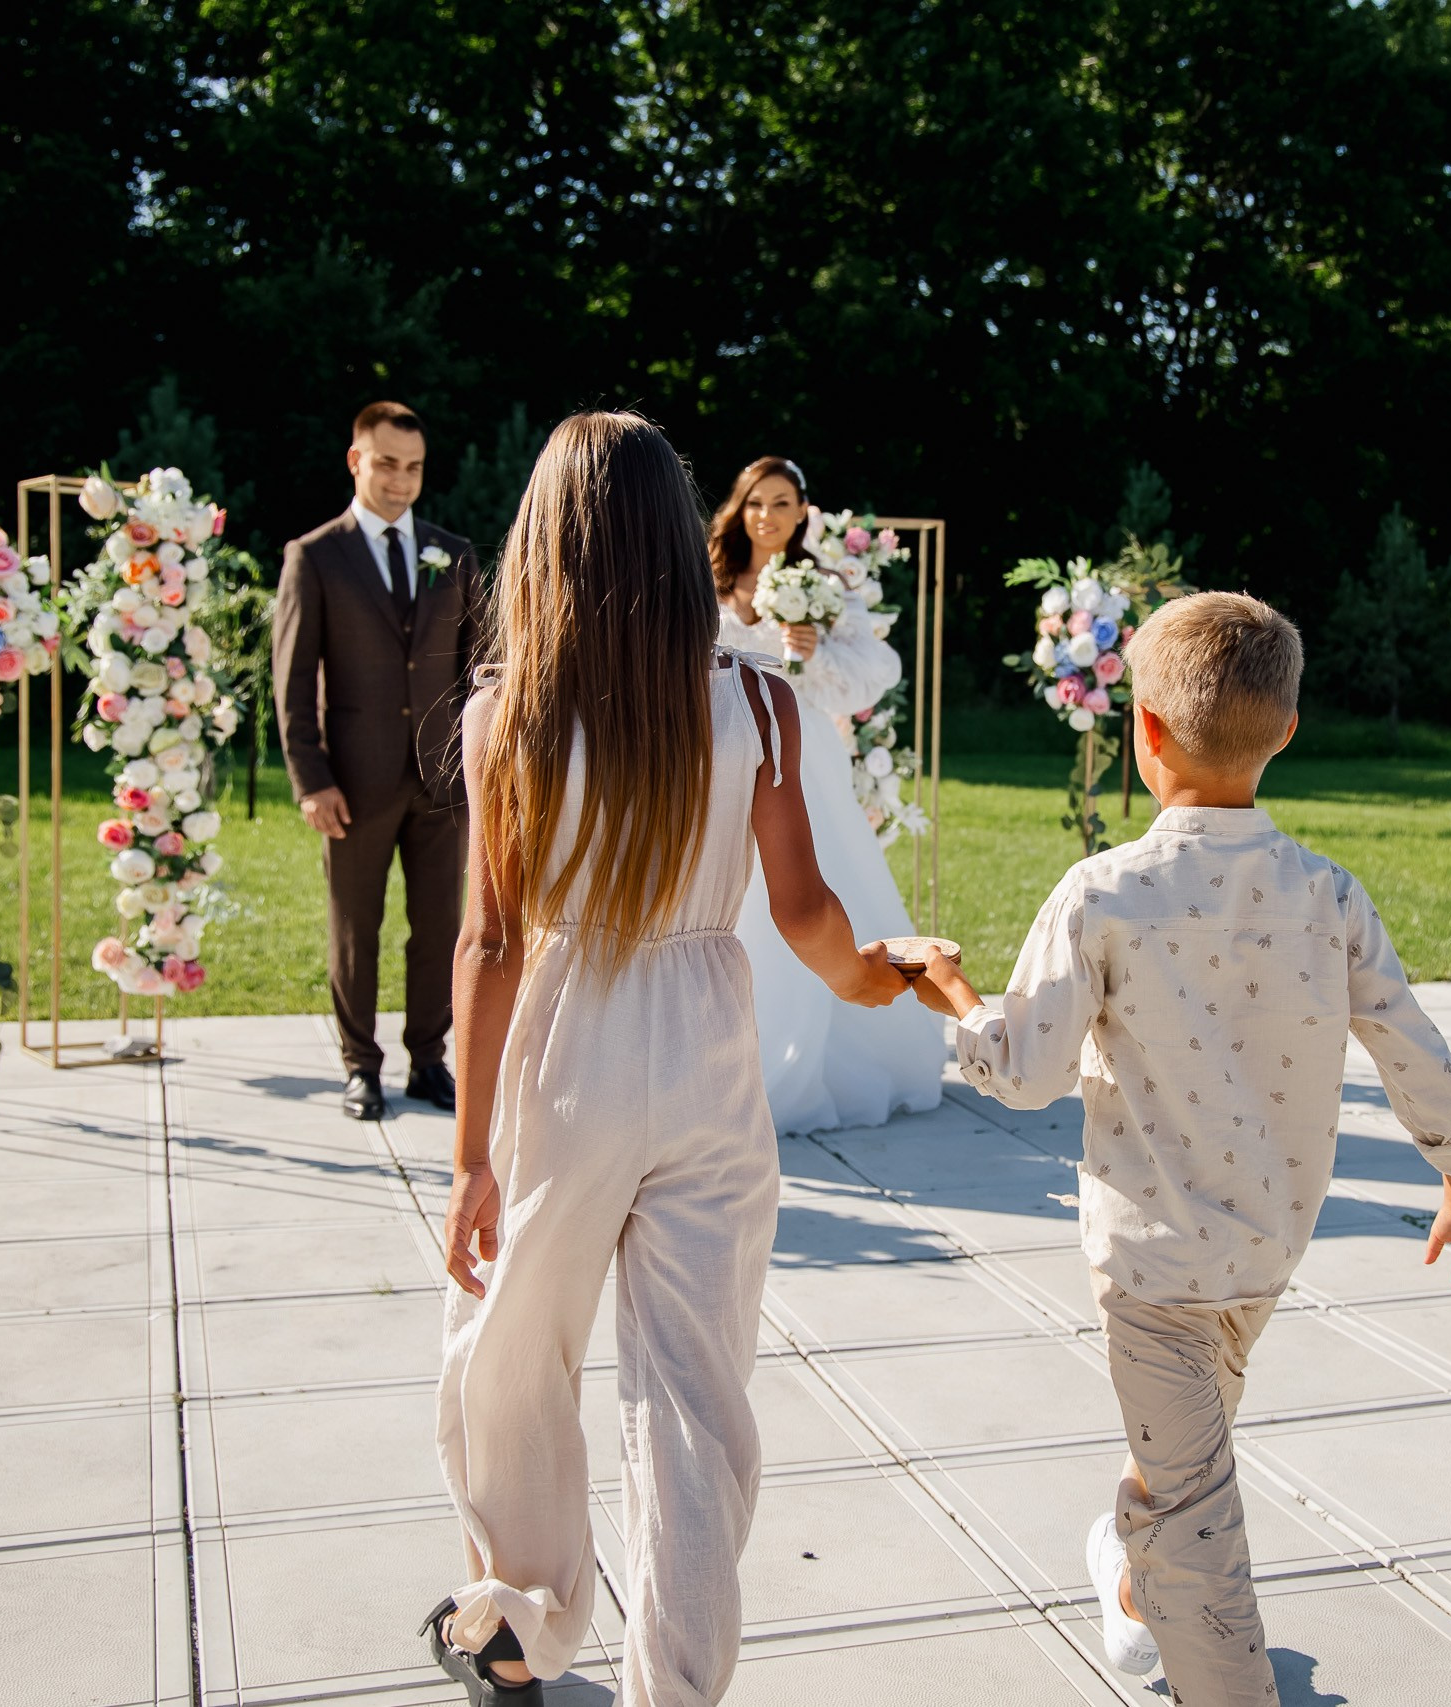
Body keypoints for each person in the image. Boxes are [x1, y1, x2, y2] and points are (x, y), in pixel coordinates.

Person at [905, 592, 1451, 1704]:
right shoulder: (1329, 895)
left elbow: (1026, 1073)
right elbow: (1408, 1042)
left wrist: (951, 994)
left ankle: (1180, 1629)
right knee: (1189, 1466)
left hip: (1149, 1266)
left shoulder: (1103, 895)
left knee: (1191, 1507)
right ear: (1286, 729)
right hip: (1265, 1252)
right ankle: (1137, 1589)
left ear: (1141, 732)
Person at [427, 412, 911, 1707]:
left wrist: (471, 1154)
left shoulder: (508, 716)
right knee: (696, 1407)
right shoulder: (757, 700)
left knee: (513, 1355)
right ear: (670, 542)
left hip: (569, 1057)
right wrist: (876, 977)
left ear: (549, 548)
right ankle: (677, 1686)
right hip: (706, 1053)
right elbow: (807, 913)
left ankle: (523, 1616)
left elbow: (487, 946)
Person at [709, 455, 945, 1131]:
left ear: (802, 511)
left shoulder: (827, 585)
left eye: (782, 502)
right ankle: (729, 1048)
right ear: (740, 508)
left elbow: (875, 672)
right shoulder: (712, 577)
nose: (768, 515)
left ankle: (839, 1039)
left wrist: (809, 653)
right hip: (725, 749)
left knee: (816, 875)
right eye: (757, 501)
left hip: (801, 747)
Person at [272, 401, 483, 1120]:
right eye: (387, 463)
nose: (401, 479)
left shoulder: (453, 554)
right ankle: (360, 1065)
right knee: (354, 927)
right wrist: (312, 779)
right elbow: (293, 683)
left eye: (414, 467)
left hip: (442, 779)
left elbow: (477, 673)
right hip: (352, 783)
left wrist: (478, 767)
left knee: (441, 928)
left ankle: (429, 1058)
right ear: (356, 459)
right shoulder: (315, 555)